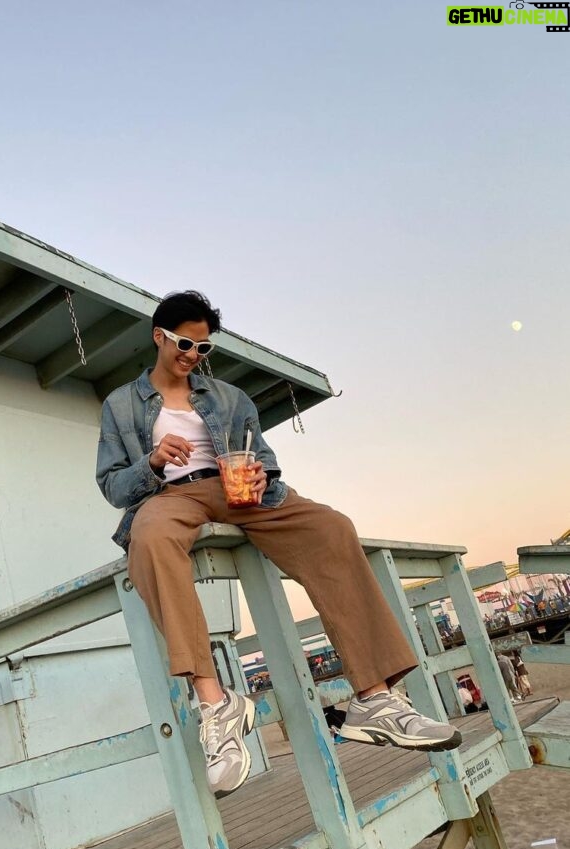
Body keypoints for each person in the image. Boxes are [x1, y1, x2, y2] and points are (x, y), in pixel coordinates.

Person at [96, 290, 462, 797]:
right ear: (159, 336)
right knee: (149, 536)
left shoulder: (229, 398)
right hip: (170, 495)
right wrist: (154, 461)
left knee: (333, 528)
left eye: (204, 348)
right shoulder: (120, 405)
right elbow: (113, 486)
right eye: (184, 343)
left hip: (239, 490)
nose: (192, 355)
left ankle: (374, 699)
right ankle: (215, 702)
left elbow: (263, 456)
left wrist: (259, 473)